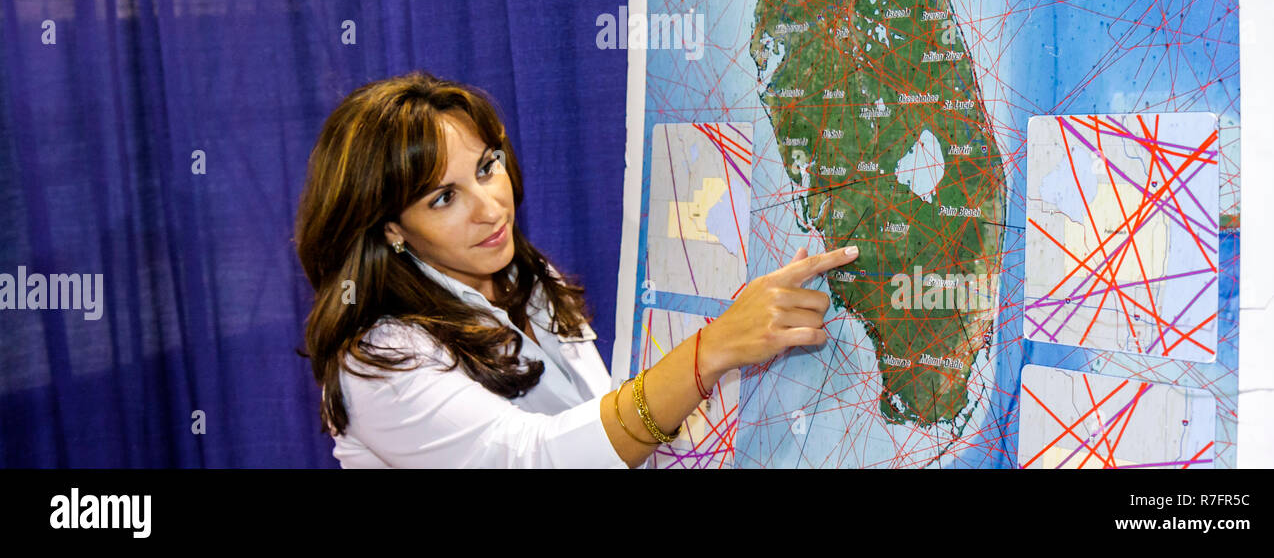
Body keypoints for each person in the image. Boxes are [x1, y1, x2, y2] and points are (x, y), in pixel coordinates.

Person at [294, 71, 858, 468]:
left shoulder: (530, 281)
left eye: (488, 168)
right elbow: (535, 459)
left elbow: (596, 423)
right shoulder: (378, 359)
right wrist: (708, 353)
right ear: (390, 228)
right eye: (443, 198)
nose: (491, 208)